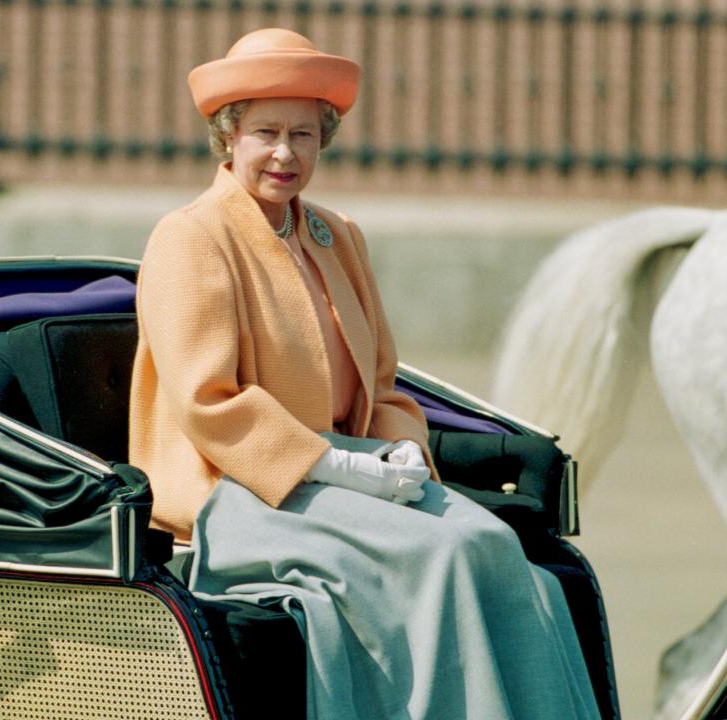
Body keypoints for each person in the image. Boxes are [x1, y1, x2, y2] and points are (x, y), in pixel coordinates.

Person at [129, 27, 600, 720]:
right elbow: (209, 404)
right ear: (228, 137)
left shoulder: (335, 234)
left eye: (305, 134)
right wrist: (335, 467)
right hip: (241, 489)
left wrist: (401, 446)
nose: (286, 153)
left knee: (491, 542)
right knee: (440, 558)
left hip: (348, 466)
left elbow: (382, 383)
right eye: (266, 132)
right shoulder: (192, 235)